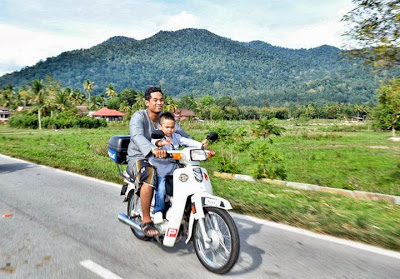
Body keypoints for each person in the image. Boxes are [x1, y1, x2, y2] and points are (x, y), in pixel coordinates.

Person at [126, 87, 190, 237]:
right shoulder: (139, 117)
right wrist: (151, 149)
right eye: (155, 100)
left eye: (161, 99)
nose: (159, 103)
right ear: (147, 102)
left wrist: (198, 146)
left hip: (163, 157)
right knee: (149, 174)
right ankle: (147, 220)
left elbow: (181, 134)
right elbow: (136, 135)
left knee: (185, 174)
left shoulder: (165, 119)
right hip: (138, 157)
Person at [149, 112, 208, 224]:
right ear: (160, 127)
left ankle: (173, 209)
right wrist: (162, 143)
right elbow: (155, 142)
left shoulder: (177, 137)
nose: (170, 130)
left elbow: (187, 141)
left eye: (172, 127)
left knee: (180, 188)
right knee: (161, 189)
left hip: (173, 168)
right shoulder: (157, 136)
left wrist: (200, 145)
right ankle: (158, 211)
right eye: (167, 127)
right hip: (159, 167)